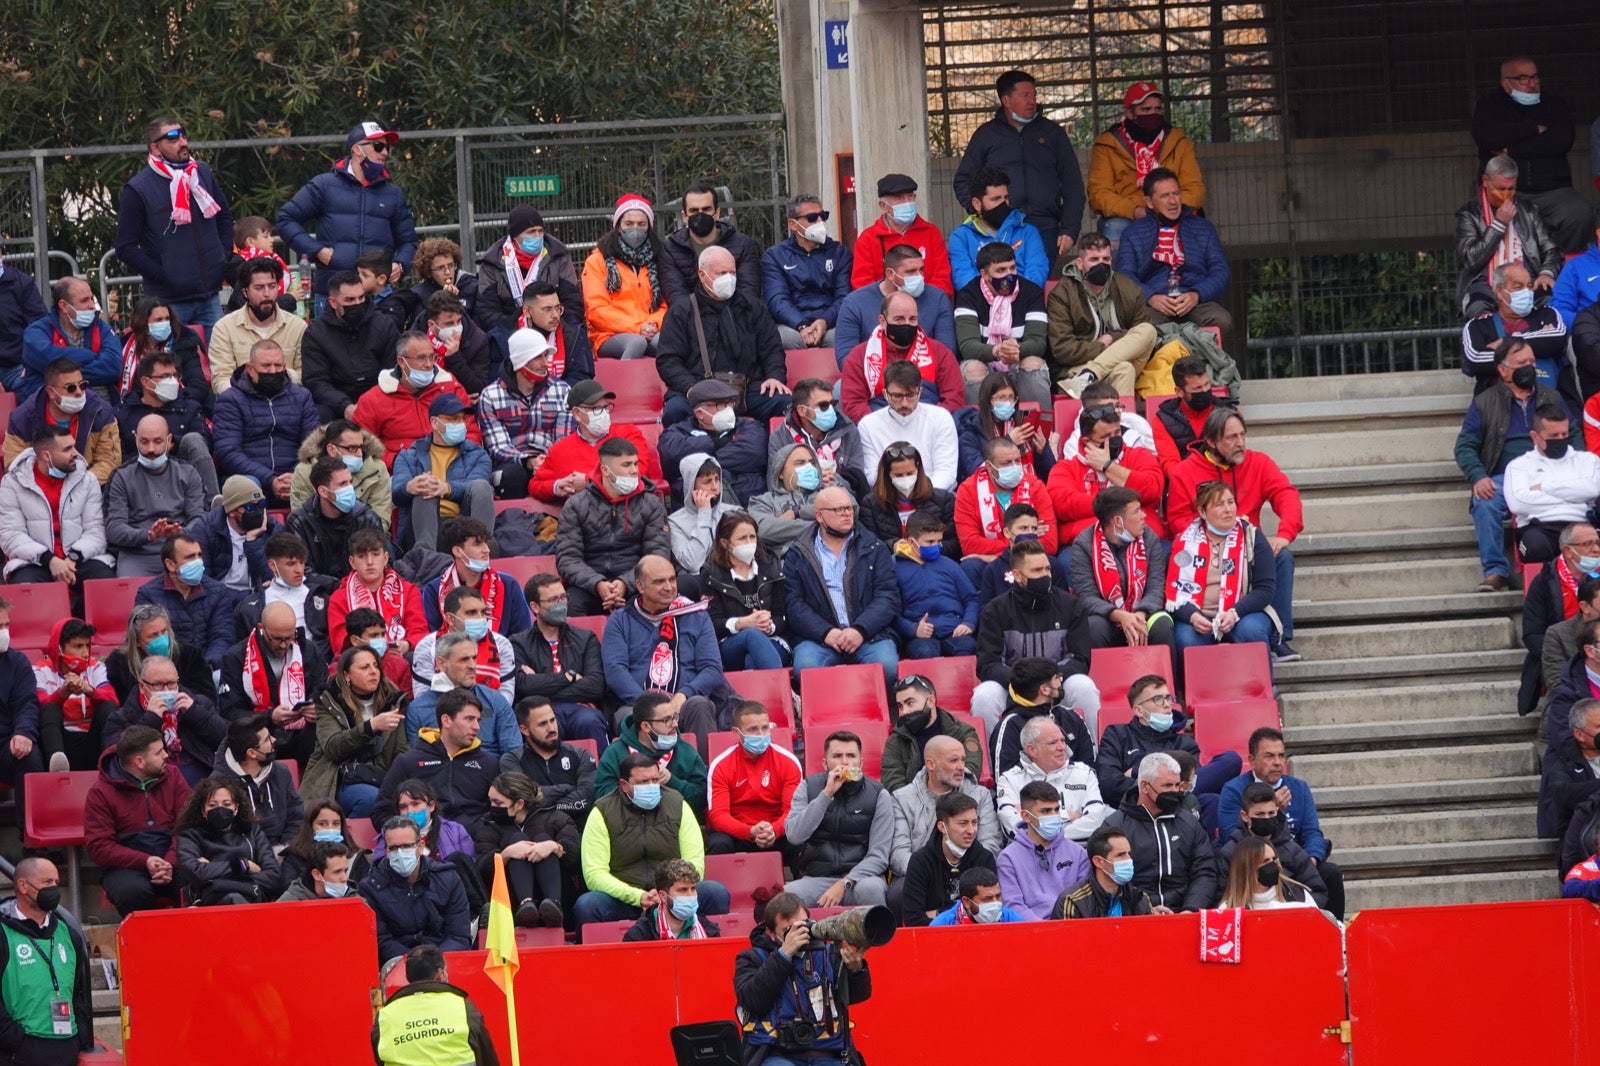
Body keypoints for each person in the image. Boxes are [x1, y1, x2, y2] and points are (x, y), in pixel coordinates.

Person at [1167, 412, 1302, 659]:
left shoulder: (1259, 462)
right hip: (1206, 549)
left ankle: (1278, 638)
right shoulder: (1184, 472)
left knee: (1282, 556)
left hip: (1251, 551)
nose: (1240, 442)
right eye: (1231, 437)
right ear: (1211, 441)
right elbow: (1176, 518)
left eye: (1242, 435)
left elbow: (1286, 495)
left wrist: (1285, 533)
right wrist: (1213, 531)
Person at [1455, 337, 1565, 592]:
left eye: (1532, 361)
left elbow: (1574, 438)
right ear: (1503, 370)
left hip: (1550, 472)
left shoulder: (1552, 397)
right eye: (1521, 363)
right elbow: (1464, 446)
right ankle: (1495, 572)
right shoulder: (1484, 402)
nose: (1529, 367)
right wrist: (1478, 476)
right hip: (1504, 478)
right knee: (1485, 501)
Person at [575, 752, 730, 929]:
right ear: (624, 785)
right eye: (643, 782)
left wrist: (672, 892)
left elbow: (694, 863)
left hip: (673, 895)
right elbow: (594, 874)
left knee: (715, 892)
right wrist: (637, 896)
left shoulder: (678, 804)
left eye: (655, 780)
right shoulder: (602, 812)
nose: (651, 786)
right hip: (624, 899)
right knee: (588, 904)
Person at [276, 121, 417, 311]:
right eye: (378, 146)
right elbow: (286, 218)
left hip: (378, 297)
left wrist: (400, 264)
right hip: (333, 295)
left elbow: (409, 241)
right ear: (357, 150)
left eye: (386, 147)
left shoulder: (393, 194)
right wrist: (316, 250)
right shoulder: (324, 185)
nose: (385, 153)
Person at [113, 118, 233, 327]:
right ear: (156, 148)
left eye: (183, 135)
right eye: (173, 139)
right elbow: (125, 247)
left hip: (209, 296)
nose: (183, 142)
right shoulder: (139, 189)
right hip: (167, 303)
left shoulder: (201, 173)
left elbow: (224, 217)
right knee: (169, 360)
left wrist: (222, 256)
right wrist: (163, 275)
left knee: (217, 359)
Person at [954, 69, 1085, 259]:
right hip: (999, 227)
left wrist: (1069, 229)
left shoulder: (1052, 133)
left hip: (1045, 227)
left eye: (1034, 95)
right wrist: (982, 213)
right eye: (1025, 95)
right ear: (1006, 101)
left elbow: (1073, 185)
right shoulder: (986, 135)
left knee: (1037, 284)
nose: (1032, 101)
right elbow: (963, 180)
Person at [1470, 56, 1592, 254]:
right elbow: (1487, 137)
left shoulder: (1555, 104)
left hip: (1553, 190)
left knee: (1579, 214)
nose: (1532, 84)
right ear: (1506, 84)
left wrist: (1511, 150)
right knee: (1489, 224)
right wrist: (1534, 129)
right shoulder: (1488, 106)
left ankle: (1559, 270)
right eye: (1524, 78)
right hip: (1507, 193)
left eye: (1535, 77)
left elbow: (1562, 141)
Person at [782, 486, 901, 688]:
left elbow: (887, 597)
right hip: (819, 638)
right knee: (807, 668)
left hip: (869, 635)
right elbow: (794, 605)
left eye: (849, 508)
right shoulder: (797, 553)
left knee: (887, 667)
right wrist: (826, 632)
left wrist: (860, 630)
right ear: (819, 516)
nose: (846, 513)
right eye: (838, 510)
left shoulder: (875, 547)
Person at [972, 540, 1095, 736]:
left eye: (1048, 569)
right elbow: (988, 664)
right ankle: (994, 760)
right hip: (1014, 686)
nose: (1045, 575)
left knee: (1083, 686)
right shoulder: (995, 610)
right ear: (1018, 576)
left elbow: (1080, 659)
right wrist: (1024, 682)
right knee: (984, 695)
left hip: (1056, 684)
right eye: (1038, 570)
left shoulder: (1071, 605)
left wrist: (1049, 681)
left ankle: (1091, 755)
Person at [601, 556, 730, 741]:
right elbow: (615, 672)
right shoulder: (620, 620)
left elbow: (712, 669)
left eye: (672, 579)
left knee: (700, 706)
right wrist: (650, 706)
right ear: (640, 586)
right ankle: (643, 770)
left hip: (685, 702)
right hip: (638, 703)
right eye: (659, 581)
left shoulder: (697, 616)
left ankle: (701, 770)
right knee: (628, 717)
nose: (669, 587)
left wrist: (683, 695)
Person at [734, 890, 872, 1063]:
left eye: (802, 925)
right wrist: (784, 954)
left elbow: (856, 996)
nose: (798, 934)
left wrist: (855, 969)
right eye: (788, 930)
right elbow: (753, 1000)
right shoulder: (752, 958)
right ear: (770, 933)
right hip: (777, 1052)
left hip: (828, 1050)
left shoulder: (828, 953)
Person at [1112, 168, 1233, 346]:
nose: (1173, 201)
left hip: (1193, 302)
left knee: (1222, 319)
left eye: (1176, 193)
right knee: (1144, 327)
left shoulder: (1203, 227)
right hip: (1155, 304)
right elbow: (1124, 276)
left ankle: (1204, 371)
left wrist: (1196, 294)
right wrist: (1150, 297)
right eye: (1165, 196)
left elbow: (1221, 272)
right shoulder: (1132, 233)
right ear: (1149, 202)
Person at [554, 436, 672, 616]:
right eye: (626, 465)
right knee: (570, 606)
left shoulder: (652, 504)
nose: (634, 471)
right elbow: (567, 558)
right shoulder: (575, 505)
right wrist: (597, 583)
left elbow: (658, 554)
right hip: (589, 585)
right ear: (605, 470)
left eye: (635, 464)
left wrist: (625, 583)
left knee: (653, 600)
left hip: (637, 583)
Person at [85, 725, 191, 915]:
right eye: (159, 753)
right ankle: (147, 942)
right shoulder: (100, 793)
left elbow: (188, 825)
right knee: (132, 892)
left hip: (174, 859)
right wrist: (146, 861)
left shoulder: (173, 776)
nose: (166, 756)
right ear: (139, 762)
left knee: (200, 879)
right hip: (126, 867)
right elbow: (99, 846)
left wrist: (169, 862)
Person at [0, 424, 117, 595]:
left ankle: (80, 620)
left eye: (74, 446)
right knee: (26, 592)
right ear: (47, 456)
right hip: (35, 561)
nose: (75, 453)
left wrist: (73, 558)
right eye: (67, 449)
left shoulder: (88, 480)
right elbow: (11, 536)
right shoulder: (12, 483)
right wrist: (50, 560)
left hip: (80, 559)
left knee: (107, 586)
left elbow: (96, 531)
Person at [0, 857, 94, 1065]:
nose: (54, 889)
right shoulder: (3, 931)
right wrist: (13, 1039)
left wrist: (80, 1032)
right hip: (20, 1051)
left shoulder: (67, 930)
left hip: (66, 1045)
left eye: (56, 883)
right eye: (47, 882)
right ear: (23, 886)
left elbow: (78, 989)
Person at [1088, 81, 1206, 246]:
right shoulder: (1107, 145)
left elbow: (1195, 189)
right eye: (1145, 110)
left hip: (1173, 212)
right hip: (1129, 216)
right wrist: (1135, 211)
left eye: (1157, 109)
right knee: (1114, 227)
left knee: (1198, 228)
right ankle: (1121, 274)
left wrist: (1166, 208)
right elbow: (1099, 195)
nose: (1153, 114)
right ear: (1129, 113)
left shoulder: (1179, 142)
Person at [784, 730, 894, 907]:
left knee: (871, 889)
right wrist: (826, 794)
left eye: (851, 756)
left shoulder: (879, 794)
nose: (844, 762)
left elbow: (879, 856)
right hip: (816, 878)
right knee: (789, 895)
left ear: (861, 762)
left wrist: (845, 882)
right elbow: (794, 835)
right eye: (837, 756)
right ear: (825, 763)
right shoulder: (808, 787)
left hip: (861, 878)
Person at [1067, 485, 1175, 664]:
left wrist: (1139, 614)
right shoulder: (1084, 544)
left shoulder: (1149, 538)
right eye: (1137, 511)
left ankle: (1170, 689)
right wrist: (1119, 615)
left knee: (1162, 625)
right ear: (1117, 521)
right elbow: (1086, 596)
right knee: (1093, 627)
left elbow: (1157, 586)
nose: (1144, 516)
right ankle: (1102, 688)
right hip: (1107, 617)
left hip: (1143, 613)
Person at [1045, 233, 1160, 398]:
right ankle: (1122, 423)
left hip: (1102, 367)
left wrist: (1112, 337)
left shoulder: (1127, 287)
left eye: (1106, 259)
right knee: (1124, 369)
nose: (1101, 265)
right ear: (1079, 263)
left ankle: (1090, 374)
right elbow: (1063, 350)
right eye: (1094, 260)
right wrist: (1103, 347)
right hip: (1074, 369)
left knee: (1149, 330)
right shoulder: (1062, 294)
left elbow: (1145, 338)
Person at [217, 600, 329, 767]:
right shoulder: (236, 658)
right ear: (262, 629)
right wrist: (269, 717)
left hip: (305, 735)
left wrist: (317, 708)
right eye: (277, 639)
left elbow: (324, 691)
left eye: (289, 638)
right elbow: (229, 713)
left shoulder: (309, 651)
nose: (283, 645)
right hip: (259, 736)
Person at [302, 645, 409, 815]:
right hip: (338, 777)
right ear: (346, 675)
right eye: (365, 667)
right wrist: (371, 726)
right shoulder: (329, 701)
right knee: (370, 799)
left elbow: (400, 750)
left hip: (380, 777)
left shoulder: (392, 701)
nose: (373, 671)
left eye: (376, 666)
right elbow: (332, 748)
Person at [1104, 751, 1218, 911]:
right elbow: (1107, 880)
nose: (1174, 791)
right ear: (1144, 786)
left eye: (1177, 785)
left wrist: (1191, 909)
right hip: (1137, 918)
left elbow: (1205, 871)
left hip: (1184, 913)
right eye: (1167, 785)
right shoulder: (1115, 826)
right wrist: (1145, 910)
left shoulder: (1189, 822)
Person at [214, 339, 320, 507]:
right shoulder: (230, 400)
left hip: (294, 477)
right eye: (266, 366)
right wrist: (270, 480)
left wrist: (296, 476)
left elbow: (313, 447)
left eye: (278, 366)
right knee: (247, 484)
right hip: (250, 479)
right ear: (250, 369)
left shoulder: (302, 397)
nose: (273, 371)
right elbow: (228, 452)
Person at [1455, 155, 1562, 318]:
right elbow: (1471, 260)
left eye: (1510, 189)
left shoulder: (1528, 210)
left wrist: (1546, 273)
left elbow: (1551, 250)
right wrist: (1499, 224)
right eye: (1500, 189)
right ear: (1485, 181)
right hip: (1485, 285)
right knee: (1480, 315)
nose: (1505, 195)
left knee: (1552, 310)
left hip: (1528, 282)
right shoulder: (1468, 214)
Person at [508, 575, 608, 745]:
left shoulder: (586, 638)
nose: (561, 604)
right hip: (540, 713)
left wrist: (540, 687)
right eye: (553, 600)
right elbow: (522, 686)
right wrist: (569, 677)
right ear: (535, 606)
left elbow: (596, 686)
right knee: (543, 726)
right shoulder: (518, 643)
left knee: (589, 722)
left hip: (582, 709)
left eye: (563, 597)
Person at [373, 689, 498, 826]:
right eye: (469, 719)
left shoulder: (489, 764)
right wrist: (410, 835)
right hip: (426, 841)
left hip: (477, 842)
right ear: (446, 720)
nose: (477, 727)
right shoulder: (408, 762)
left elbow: (501, 811)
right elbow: (382, 812)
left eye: (478, 720)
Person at [840, 289, 964, 427]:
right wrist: (882, 427)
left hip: (930, 427)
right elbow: (853, 404)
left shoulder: (940, 352)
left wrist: (929, 425)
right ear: (882, 321)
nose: (906, 325)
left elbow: (954, 398)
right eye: (899, 319)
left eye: (912, 319)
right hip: (879, 430)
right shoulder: (859, 356)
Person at [354, 332, 480, 468]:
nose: (429, 364)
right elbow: (362, 447)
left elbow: (472, 432)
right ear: (401, 361)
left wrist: (452, 459)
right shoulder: (373, 400)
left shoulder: (450, 387)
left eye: (432, 357)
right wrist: (398, 461)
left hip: (452, 466)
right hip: (399, 473)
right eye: (421, 358)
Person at [106, 414, 209, 578]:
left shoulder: (188, 472)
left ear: (169, 440)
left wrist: (181, 532)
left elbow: (200, 519)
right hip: (138, 554)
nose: (151, 449)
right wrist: (148, 535)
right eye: (144, 442)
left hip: (181, 549)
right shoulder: (121, 476)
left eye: (158, 441)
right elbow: (113, 529)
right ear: (135, 439)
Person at [360, 816, 473, 965]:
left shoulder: (448, 878)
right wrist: (416, 965)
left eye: (406, 846)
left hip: (445, 963)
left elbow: (458, 935)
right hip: (397, 965)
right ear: (386, 851)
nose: (400, 853)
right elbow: (381, 941)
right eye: (393, 848)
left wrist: (436, 963)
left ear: (420, 846)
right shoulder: (371, 888)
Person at [388, 393, 494, 552]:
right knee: (424, 487)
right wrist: (410, 486)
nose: (460, 424)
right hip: (423, 524)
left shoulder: (478, 455)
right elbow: (397, 492)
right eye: (453, 419)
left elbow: (476, 485)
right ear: (435, 423)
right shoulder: (408, 456)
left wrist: (446, 489)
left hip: (463, 524)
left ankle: (480, 546)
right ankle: (426, 557)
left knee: (481, 486)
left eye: (462, 419)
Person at [104, 652, 228, 787]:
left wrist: (196, 714)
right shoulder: (121, 718)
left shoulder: (199, 704)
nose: (166, 689)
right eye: (157, 685)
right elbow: (117, 760)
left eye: (171, 683)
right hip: (154, 785)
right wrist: (150, 720)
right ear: (141, 686)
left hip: (204, 782)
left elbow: (227, 738)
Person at [530, 380, 663, 503]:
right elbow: (535, 485)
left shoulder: (628, 434)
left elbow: (639, 472)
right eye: (595, 409)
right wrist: (556, 487)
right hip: (583, 518)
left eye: (605, 407)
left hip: (628, 510)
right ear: (577, 413)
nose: (604, 413)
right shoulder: (560, 449)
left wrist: (589, 480)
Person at [889, 735, 1001, 882]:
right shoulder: (902, 799)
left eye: (963, 759)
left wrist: (958, 874)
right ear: (931, 764)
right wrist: (934, 875)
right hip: (923, 877)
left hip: (969, 877)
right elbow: (899, 854)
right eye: (953, 760)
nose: (961, 766)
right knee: (899, 892)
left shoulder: (980, 795)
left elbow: (990, 845)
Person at [475, 771, 579, 928]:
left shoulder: (556, 818)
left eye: (498, 803)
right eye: (491, 801)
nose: (492, 807)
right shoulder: (489, 824)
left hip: (560, 891)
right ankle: (526, 907)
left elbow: (574, 856)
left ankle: (553, 905)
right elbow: (481, 867)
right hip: (511, 898)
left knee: (544, 839)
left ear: (519, 804)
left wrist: (553, 847)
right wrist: (506, 854)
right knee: (517, 840)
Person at [477, 328, 572, 499]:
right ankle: (512, 521)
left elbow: (563, 439)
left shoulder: (562, 389)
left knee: (567, 471)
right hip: (512, 463)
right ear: (521, 362)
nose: (545, 363)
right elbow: (497, 447)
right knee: (513, 475)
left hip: (551, 459)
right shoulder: (490, 395)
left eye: (546, 356)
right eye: (538, 357)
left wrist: (547, 461)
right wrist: (527, 460)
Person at [1461, 264, 1573, 406]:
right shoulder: (1478, 326)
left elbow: (1556, 340)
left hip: (1551, 406)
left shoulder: (1547, 313)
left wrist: (1504, 343)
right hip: (1500, 409)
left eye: (1529, 286)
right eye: (1518, 287)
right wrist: (1536, 342)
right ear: (1500, 292)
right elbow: (1476, 360)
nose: (1527, 292)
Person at [371, 944, 499, 1066]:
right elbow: (488, 1059)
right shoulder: (464, 1009)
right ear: (440, 974)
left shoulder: (385, 1017)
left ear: (408, 976)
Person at [113, 348, 218, 496]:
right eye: (165, 376)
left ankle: (213, 506)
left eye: (175, 375)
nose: (173, 381)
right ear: (146, 381)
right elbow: (119, 455)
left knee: (194, 439)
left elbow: (205, 441)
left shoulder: (189, 406)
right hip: (139, 477)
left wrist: (174, 441)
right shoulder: (125, 412)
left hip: (183, 475)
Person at [1503, 405, 1600, 564]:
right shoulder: (1518, 466)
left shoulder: (1587, 460)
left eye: (1564, 434)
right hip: (1539, 528)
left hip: (1582, 526)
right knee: (1535, 547)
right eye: (1553, 436)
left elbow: (1592, 489)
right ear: (1535, 437)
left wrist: (1544, 487)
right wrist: (1575, 497)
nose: (1561, 439)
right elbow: (1519, 504)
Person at [3, 358, 121, 486]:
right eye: (71, 388)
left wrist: (78, 486)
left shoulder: (102, 413)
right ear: (51, 392)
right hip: (38, 490)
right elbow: (14, 464)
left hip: (88, 489)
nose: (79, 392)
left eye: (82, 385)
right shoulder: (22, 417)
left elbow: (109, 462)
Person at [707, 702, 803, 858]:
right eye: (753, 729)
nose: (760, 734)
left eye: (765, 728)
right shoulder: (721, 765)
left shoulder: (789, 762)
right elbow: (718, 816)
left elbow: (792, 811)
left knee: (798, 838)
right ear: (737, 733)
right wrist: (749, 832)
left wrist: (774, 830)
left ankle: (803, 881)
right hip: (738, 834)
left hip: (777, 832)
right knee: (718, 842)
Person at [834, 244, 959, 364]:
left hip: (924, 378)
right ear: (890, 274)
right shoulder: (854, 303)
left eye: (921, 270)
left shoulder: (938, 299)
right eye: (911, 272)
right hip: (870, 377)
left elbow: (947, 352)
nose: (919, 277)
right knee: (840, 386)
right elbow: (846, 358)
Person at [700, 511, 792, 673]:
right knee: (751, 635)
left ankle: (767, 696)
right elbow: (711, 624)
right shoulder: (711, 575)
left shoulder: (771, 567)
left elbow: (783, 616)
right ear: (724, 543)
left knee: (753, 661)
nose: (749, 542)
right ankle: (784, 693)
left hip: (773, 639)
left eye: (752, 537)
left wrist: (768, 625)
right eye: (742, 538)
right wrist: (744, 623)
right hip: (730, 643)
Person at [1217, 781, 1329, 910]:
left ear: (1277, 811)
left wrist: (1296, 911)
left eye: (1271, 813)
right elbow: (1222, 895)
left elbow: (1318, 890)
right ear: (1245, 816)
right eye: (1259, 814)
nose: (1266, 818)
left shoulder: (1292, 850)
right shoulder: (1231, 852)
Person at [581, 194, 668, 360]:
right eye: (629, 224)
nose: (635, 229)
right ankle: (623, 386)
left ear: (648, 227)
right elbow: (596, 310)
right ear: (618, 226)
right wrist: (637, 327)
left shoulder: (659, 258)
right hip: (609, 334)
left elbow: (665, 304)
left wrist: (654, 324)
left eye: (641, 224)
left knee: (666, 342)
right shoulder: (597, 261)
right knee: (636, 343)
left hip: (651, 328)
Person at [175, 774, 285, 904]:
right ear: (203, 810)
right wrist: (244, 866)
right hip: (208, 902)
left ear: (236, 809)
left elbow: (273, 876)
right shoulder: (190, 835)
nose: (220, 809)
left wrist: (214, 871)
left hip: (250, 896)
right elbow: (195, 873)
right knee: (232, 898)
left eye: (227, 804)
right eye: (212, 805)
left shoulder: (252, 832)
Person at [135, 533, 241, 668]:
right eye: (190, 557)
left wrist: (206, 667)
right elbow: (150, 639)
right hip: (164, 668)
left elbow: (222, 637)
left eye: (199, 555)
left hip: (208, 667)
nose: (199, 562)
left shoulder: (218, 591)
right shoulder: (148, 594)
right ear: (170, 564)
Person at [657, 378, 771, 503]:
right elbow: (672, 459)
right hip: (700, 510)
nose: (728, 409)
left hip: (750, 503)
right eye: (721, 405)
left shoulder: (750, 426)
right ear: (700, 413)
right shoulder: (676, 433)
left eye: (730, 403)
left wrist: (700, 464)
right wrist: (713, 443)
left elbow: (756, 453)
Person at [406, 622, 517, 748]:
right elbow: (417, 760)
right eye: (464, 660)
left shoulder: (496, 701)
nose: (473, 666)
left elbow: (513, 752)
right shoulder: (418, 709)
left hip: (488, 765)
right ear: (441, 664)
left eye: (474, 658)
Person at [764, 194, 853, 350]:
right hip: (792, 325)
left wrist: (824, 321)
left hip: (830, 322)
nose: (820, 222)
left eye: (823, 216)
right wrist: (801, 325)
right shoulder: (775, 256)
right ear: (793, 224)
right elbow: (777, 300)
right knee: (786, 339)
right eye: (812, 218)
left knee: (842, 336)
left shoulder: (839, 253)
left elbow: (843, 297)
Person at [992, 780, 1090, 920]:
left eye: (1056, 809)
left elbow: (1084, 901)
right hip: (1030, 934)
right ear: (1026, 816)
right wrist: (1044, 931)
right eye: (1045, 811)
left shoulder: (1078, 853)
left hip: (1071, 930)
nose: (1054, 815)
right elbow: (1013, 905)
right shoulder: (1008, 858)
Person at [857, 361, 961, 493]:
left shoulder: (940, 417)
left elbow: (946, 472)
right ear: (885, 394)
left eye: (911, 395)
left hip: (934, 496)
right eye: (897, 396)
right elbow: (872, 475)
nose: (904, 403)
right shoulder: (867, 425)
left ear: (920, 392)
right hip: (889, 499)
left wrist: (920, 494)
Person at [419, 516, 533, 636]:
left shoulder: (508, 584)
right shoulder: (434, 590)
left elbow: (523, 636)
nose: (487, 550)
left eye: (485, 543)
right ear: (457, 551)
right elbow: (434, 639)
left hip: (502, 653)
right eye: (477, 544)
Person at [474, 204, 579, 335]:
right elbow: (487, 311)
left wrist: (553, 325)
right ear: (515, 235)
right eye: (531, 232)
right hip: (509, 332)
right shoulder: (492, 263)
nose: (537, 236)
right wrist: (516, 326)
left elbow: (573, 302)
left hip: (555, 328)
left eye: (540, 231)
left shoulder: (558, 256)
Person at [995, 716, 1106, 838]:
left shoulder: (1084, 773)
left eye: (1063, 741)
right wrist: (1069, 816)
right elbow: (1014, 827)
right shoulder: (1009, 779)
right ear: (1032, 750)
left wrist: (1042, 826)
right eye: (1053, 742)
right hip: (1030, 854)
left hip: (1079, 852)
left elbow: (1095, 821)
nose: (1062, 747)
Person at [286, 455, 392, 583]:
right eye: (343, 484)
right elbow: (301, 572)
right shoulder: (299, 522)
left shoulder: (367, 518)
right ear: (323, 492)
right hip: (316, 593)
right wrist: (338, 587)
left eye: (350, 482)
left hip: (361, 590)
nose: (350, 489)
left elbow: (382, 566)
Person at [208, 258, 308, 393]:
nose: (267, 294)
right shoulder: (224, 328)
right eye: (259, 288)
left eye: (272, 286)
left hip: (287, 401)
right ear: (245, 293)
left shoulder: (297, 326)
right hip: (242, 404)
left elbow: (306, 375)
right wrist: (253, 385)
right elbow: (220, 381)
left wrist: (278, 377)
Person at [899, 791, 997, 926]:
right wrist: (963, 912)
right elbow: (914, 920)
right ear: (942, 827)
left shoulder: (984, 859)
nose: (971, 830)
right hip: (932, 941)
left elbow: (991, 912)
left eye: (974, 822)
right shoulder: (920, 862)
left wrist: (937, 913)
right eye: (963, 823)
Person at [31, 618, 117, 771]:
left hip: (92, 739)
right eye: (78, 646)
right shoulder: (40, 670)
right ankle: (56, 763)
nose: (85, 653)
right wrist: (62, 693)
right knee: (49, 709)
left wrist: (89, 690)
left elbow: (112, 699)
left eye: (87, 645)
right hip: (61, 740)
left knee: (107, 706)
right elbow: (38, 704)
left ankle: (111, 761)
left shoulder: (95, 667)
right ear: (59, 648)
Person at [891, 511, 979, 659]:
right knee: (925, 652)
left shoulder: (949, 564)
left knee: (967, 646)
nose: (937, 546)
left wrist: (968, 623)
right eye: (930, 542)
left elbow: (971, 598)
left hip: (954, 630)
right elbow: (891, 611)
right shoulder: (894, 568)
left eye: (939, 542)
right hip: (920, 637)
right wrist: (913, 629)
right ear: (911, 542)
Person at [851, 173, 955, 296]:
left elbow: (943, 279)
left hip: (928, 308)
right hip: (884, 311)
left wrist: (925, 305)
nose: (907, 202)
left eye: (910, 196)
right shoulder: (868, 239)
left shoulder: (931, 233)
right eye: (898, 198)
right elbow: (863, 286)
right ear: (883, 205)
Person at [19, 277, 120, 401]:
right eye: (84, 301)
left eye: (91, 299)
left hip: (101, 409)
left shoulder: (102, 328)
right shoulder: (37, 331)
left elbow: (113, 367)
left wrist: (59, 377)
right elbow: (46, 357)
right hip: (50, 409)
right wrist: (91, 356)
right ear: (64, 306)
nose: (92, 306)